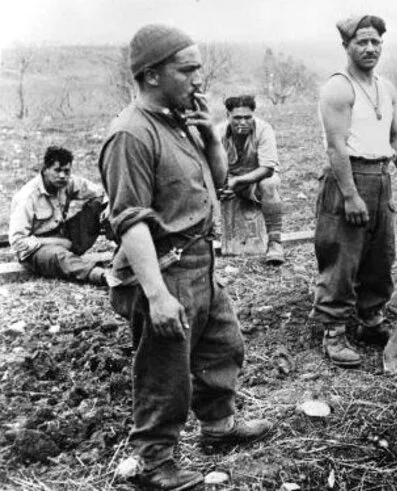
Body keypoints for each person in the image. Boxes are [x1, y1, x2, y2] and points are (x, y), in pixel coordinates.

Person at [98, 24, 272, 490]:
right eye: (188, 69)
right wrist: (155, 295)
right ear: (152, 75)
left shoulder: (181, 119)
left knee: (222, 344)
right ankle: (154, 463)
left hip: (200, 261)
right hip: (162, 269)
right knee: (165, 371)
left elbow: (218, 184)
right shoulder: (131, 135)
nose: (199, 79)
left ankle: (218, 427)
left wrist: (211, 140)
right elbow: (130, 221)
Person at [310, 15, 397, 368]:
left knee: (379, 255)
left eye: (376, 42)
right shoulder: (338, 88)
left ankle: (371, 319)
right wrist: (351, 195)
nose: (370, 48)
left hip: (381, 177)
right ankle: (335, 331)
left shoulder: (385, 88)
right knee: (342, 256)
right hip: (348, 177)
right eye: (362, 42)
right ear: (346, 46)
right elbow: (336, 147)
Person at [8, 145, 108, 286]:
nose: (62, 176)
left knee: (99, 205)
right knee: (59, 256)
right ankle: (101, 275)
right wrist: (55, 242)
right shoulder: (27, 197)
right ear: (45, 169)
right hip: (36, 251)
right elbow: (18, 242)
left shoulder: (68, 182)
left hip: (63, 237)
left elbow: (100, 193)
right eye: (57, 170)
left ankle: (126, 253)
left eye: (66, 171)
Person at [219, 94, 285, 265]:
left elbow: (267, 169)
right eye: (237, 118)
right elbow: (210, 166)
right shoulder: (218, 132)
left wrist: (237, 181)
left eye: (247, 117)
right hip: (230, 181)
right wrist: (221, 186)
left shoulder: (264, 129)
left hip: (256, 180)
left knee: (269, 184)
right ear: (228, 116)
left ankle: (275, 242)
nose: (243, 122)